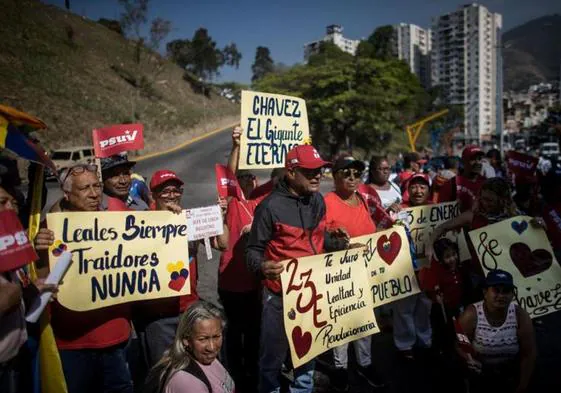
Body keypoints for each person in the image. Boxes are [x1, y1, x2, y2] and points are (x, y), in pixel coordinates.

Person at [246, 144, 347, 393]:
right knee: (272, 360)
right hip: (279, 297)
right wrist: (261, 267)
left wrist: (340, 243)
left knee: (307, 357)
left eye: (320, 171)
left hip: (312, 294)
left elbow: (319, 242)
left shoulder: (319, 201)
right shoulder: (269, 207)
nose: (317, 176)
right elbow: (252, 251)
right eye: (309, 171)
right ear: (291, 172)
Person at [34, 164, 134, 393]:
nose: (94, 194)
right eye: (85, 188)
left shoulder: (117, 212)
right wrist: (39, 252)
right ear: (67, 194)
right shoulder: (51, 228)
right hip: (72, 342)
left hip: (116, 337)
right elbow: (42, 282)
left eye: (97, 186)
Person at [134, 170, 228, 370]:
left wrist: (220, 217)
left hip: (188, 309)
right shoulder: (143, 222)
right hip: (157, 315)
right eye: (165, 191)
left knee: (193, 367)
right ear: (154, 194)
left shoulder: (190, 219)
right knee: (164, 369)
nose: (172, 196)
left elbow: (222, 243)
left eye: (176, 191)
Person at [323, 156, 385, 390]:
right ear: (335, 176)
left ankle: (364, 363)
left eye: (356, 174)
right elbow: (318, 237)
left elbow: (368, 229)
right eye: (346, 173)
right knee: (342, 321)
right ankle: (340, 367)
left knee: (364, 319)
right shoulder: (327, 201)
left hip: (364, 272)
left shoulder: (361, 199)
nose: (351, 178)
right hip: (339, 274)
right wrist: (337, 239)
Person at [0, 184, 57, 393]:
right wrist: (10, 295)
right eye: (2, 203)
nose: (11, 209)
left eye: (13, 203)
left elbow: (19, 290)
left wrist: (31, 290)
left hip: (17, 359)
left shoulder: (8, 246)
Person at [219, 127, 262, 392]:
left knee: (255, 334)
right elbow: (228, 175)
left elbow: (284, 177)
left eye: (252, 177)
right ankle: (233, 378)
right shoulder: (232, 201)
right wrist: (236, 146)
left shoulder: (262, 202)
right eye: (243, 177)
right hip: (231, 281)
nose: (247, 181)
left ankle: (254, 376)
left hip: (257, 281)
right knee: (234, 334)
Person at [456, 270, 536, 393]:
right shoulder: (471, 315)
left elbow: (529, 353)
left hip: (510, 373)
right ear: (485, 292)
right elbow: (459, 345)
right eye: (496, 290)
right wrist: (469, 359)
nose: (501, 296)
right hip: (482, 374)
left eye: (506, 291)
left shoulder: (520, 315)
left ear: (512, 294)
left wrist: (523, 385)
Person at [143, 300, 235, 393]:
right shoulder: (188, 384)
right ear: (186, 340)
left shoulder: (206, 357)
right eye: (203, 339)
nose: (211, 347)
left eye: (216, 336)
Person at [392, 174, 433, 360]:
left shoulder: (436, 210)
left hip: (429, 268)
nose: (418, 191)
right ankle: (404, 344)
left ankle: (425, 340)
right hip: (405, 268)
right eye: (414, 187)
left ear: (429, 190)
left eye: (423, 187)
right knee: (404, 308)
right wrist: (390, 213)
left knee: (425, 305)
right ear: (408, 190)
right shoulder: (400, 210)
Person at [438, 146, 486, 212]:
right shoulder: (452, 184)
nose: (477, 162)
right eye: (473, 159)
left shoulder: (486, 184)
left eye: (480, 159)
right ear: (463, 161)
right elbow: (441, 211)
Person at [360, 155, 402, 228]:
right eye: (381, 169)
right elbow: (367, 219)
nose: (385, 171)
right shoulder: (366, 192)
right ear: (372, 171)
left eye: (387, 168)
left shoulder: (394, 186)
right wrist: (386, 213)